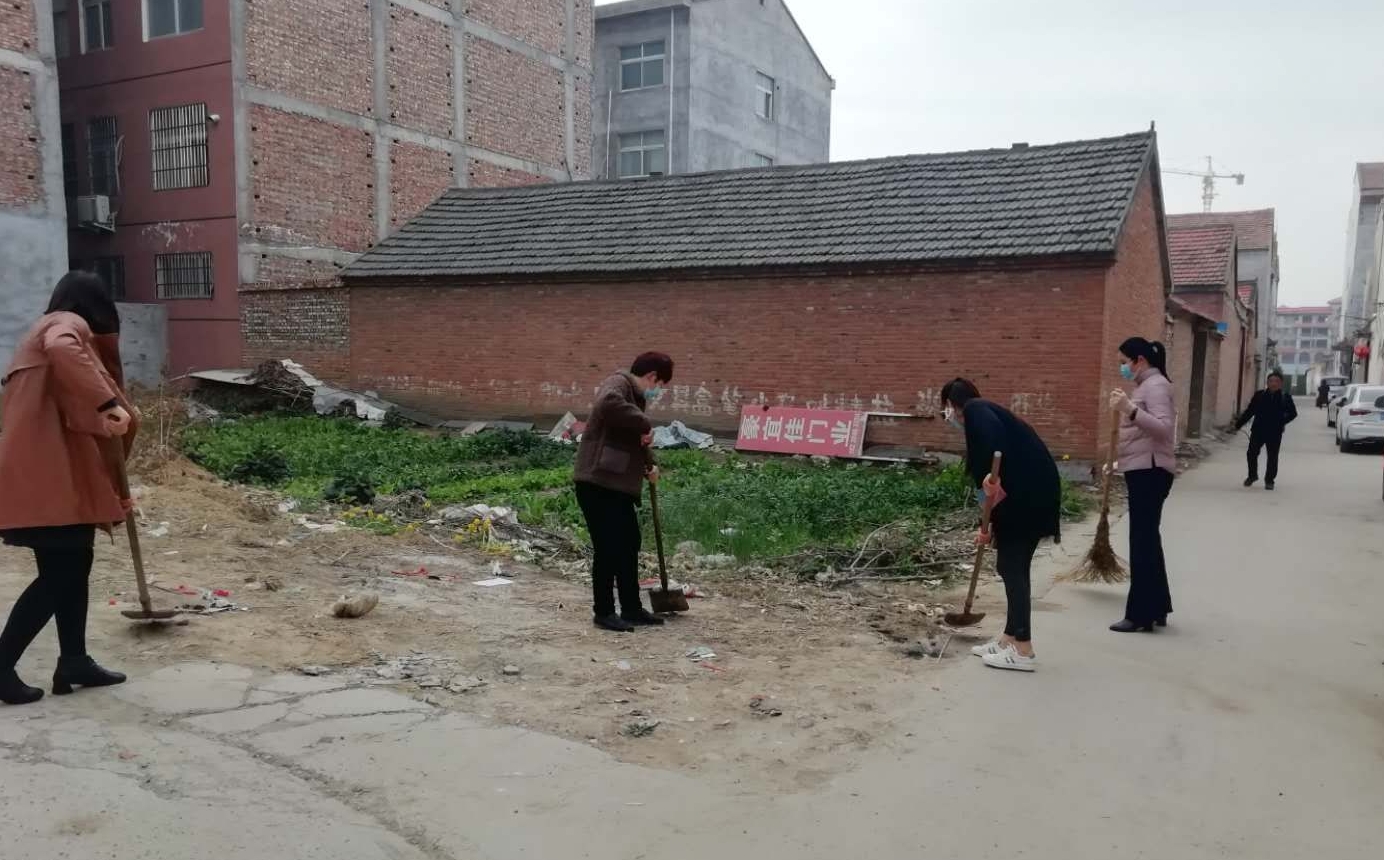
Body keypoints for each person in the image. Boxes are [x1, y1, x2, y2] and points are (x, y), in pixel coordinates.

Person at [0, 272, 137, 706]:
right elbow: (64, 349)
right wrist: (108, 403)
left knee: (73, 563)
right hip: (50, 475)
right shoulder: (65, 325)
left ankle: (74, 660)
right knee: (61, 574)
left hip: (48, 473)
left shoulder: (37, 334)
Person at [941, 378, 1061, 672]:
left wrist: (990, 479)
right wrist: (989, 524)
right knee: (1013, 566)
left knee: (1011, 566)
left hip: (1028, 499)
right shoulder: (986, 412)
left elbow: (993, 462)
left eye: (946, 409)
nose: (948, 416)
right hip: (1030, 495)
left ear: (952, 405)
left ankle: (1023, 649)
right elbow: (992, 483)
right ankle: (1009, 638)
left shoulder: (976, 410)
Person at [574, 352, 674, 632]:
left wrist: (650, 465)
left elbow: (636, 439)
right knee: (608, 548)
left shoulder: (635, 399)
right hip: (597, 483)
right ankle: (604, 611)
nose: (658, 391)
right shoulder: (618, 384)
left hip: (615, 486)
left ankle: (631, 607)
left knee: (629, 543)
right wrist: (644, 423)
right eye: (660, 385)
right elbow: (608, 404)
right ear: (652, 376)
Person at [1108, 337, 1176, 633]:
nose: (1122, 368)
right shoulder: (1146, 385)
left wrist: (1130, 409)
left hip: (1151, 472)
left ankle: (1140, 615)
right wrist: (1120, 463)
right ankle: (1157, 607)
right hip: (1143, 469)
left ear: (1140, 360)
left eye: (1124, 362)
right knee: (1148, 540)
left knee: (1142, 543)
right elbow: (1141, 437)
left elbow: (1164, 429)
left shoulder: (1156, 385)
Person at [1236, 371, 1297, 491]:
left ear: (1281, 383)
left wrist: (1282, 421)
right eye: (1271, 381)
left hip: (1275, 432)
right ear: (1267, 383)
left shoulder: (1285, 397)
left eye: (1276, 381)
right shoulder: (1259, 395)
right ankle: (1252, 476)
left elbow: (1293, 413)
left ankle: (1269, 480)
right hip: (1258, 430)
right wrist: (1238, 424)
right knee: (1251, 453)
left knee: (1272, 456)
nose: (1273, 384)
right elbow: (1250, 411)